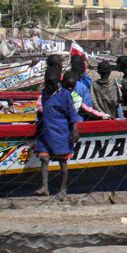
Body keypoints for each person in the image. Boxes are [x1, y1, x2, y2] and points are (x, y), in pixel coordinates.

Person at [34, 66, 80, 200]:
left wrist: (75, 130)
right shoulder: (44, 93)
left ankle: (63, 189)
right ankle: (44, 187)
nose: (49, 86)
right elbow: (42, 111)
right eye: (47, 84)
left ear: (58, 83)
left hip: (61, 133)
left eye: (52, 84)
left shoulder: (65, 94)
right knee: (44, 158)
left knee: (62, 162)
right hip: (47, 131)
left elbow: (72, 114)